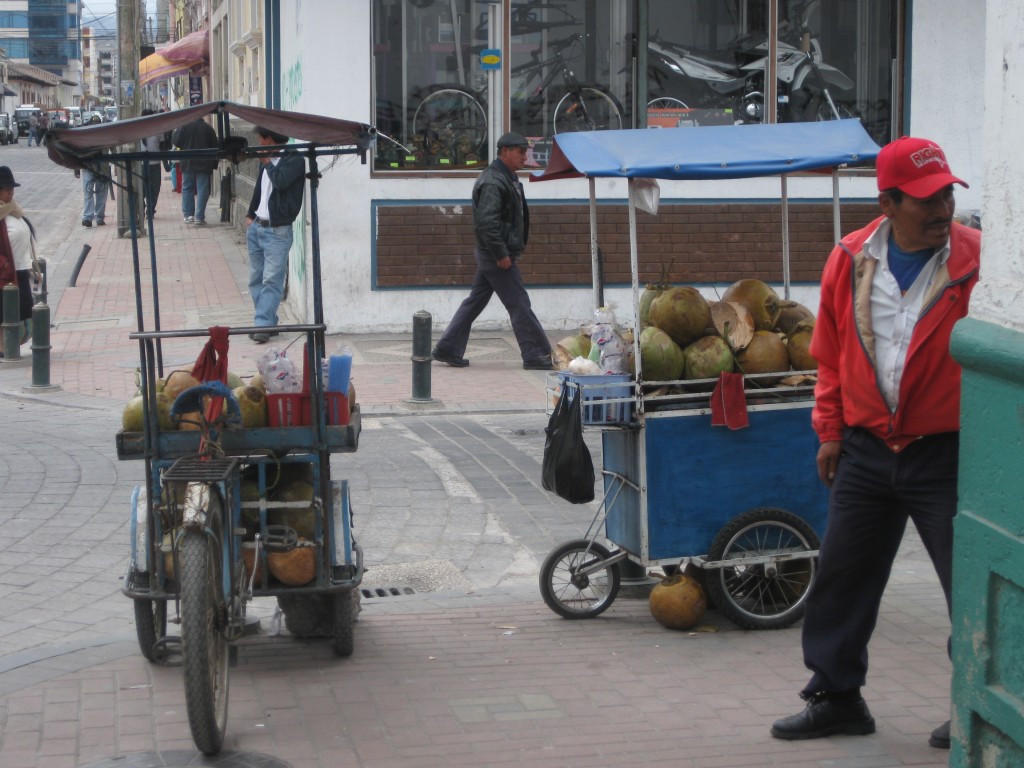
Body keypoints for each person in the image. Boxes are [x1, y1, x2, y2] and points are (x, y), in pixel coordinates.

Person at [769, 136, 980, 750]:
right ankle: (836, 698)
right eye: (924, 199)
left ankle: (974, 703)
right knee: (842, 576)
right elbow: (831, 357)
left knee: (966, 583)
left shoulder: (976, 261)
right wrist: (829, 431)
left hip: (947, 451)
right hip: (865, 449)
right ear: (887, 203)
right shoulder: (850, 258)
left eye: (945, 193)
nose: (941, 208)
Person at [431, 132, 553, 370]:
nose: (525, 157)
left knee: (475, 301)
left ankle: (448, 348)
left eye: (525, 152)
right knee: (519, 303)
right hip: (495, 255)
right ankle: (536, 354)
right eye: (520, 152)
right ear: (505, 151)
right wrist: (501, 254)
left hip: (494, 253)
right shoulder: (494, 181)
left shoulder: (505, 178)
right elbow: (487, 223)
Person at [244, 126, 305, 344]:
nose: (259, 144)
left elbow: (281, 182)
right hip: (257, 227)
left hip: (277, 230)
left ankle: (262, 324)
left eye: (262, 139)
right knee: (255, 279)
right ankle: (268, 321)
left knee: (272, 279)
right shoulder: (266, 162)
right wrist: (250, 215)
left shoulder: (294, 160)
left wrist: (268, 164)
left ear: (271, 139)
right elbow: (260, 191)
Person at [0, 167, 38, 358]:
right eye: (6, 189)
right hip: (4, 275)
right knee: (5, 313)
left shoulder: (13, 210)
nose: (10, 192)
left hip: (20, 270)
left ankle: (9, 346)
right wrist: (4, 265)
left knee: (23, 310)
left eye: (11, 189)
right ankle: (4, 349)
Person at [172, 117, 218, 225]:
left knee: (187, 188)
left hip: (187, 162)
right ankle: (199, 217)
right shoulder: (208, 128)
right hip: (204, 163)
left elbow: (175, 141)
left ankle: (188, 215)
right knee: (203, 189)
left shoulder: (184, 127)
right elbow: (215, 146)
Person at [139, 108, 162, 218]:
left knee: (155, 188)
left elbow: (163, 144)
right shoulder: (136, 129)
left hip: (155, 163)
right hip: (140, 164)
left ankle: (151, 209)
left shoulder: (158, 129)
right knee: (141, 188)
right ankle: (141, 206)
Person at [75, 158, 110, 227]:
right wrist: (76, 167)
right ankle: (87, 217)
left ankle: (99, 217)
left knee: (102, 192)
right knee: (88, 192)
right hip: (87, 165)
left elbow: (113, 148)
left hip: (102, 166)